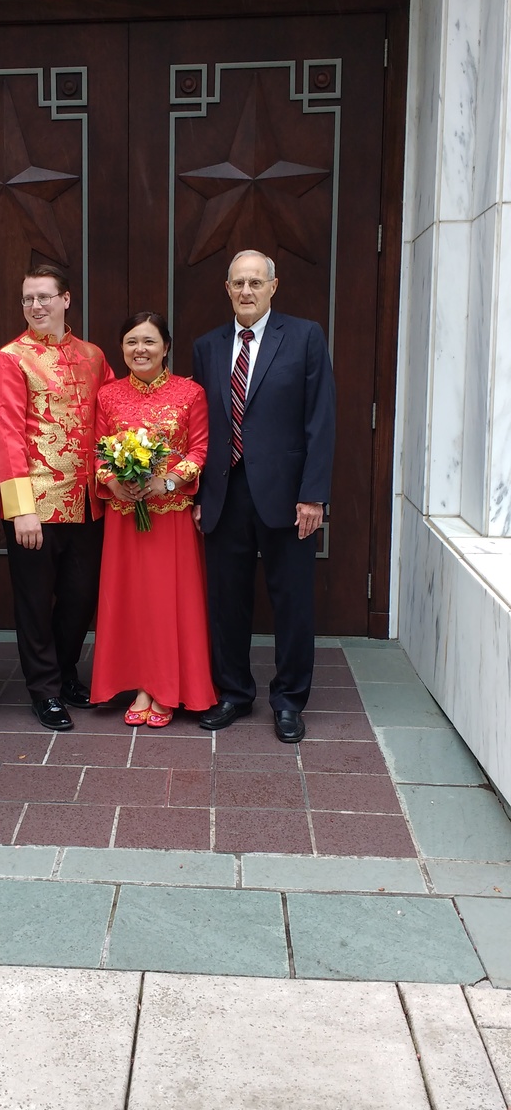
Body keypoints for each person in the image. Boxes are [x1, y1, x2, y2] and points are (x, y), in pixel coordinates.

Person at [192, 250, 336, 742]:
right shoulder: (207, 346)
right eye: (238, 283)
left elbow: (321, 418)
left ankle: (289, 700)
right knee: (226, 601)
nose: (246, 291)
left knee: (292, 601)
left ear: (274, 286)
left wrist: (314, 495)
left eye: (256, 282)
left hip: (288, 497)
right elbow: (202, 427)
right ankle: (233, 691)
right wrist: (197, 494)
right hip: (224, 494)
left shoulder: (304, 336)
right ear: (227, 288)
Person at [0, 264, 114, 732]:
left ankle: (64, 674)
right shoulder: (11, 358)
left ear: (65, 300)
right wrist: (20, 509)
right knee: (36, 602)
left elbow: (112, 419)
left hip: (89, 501)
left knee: (81, 597)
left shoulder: (94, 356)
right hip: (36, 504)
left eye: (44, 297)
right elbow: (8, 437)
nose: (35, 306)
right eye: (27, 299)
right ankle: (44, 689)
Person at [90, 313, 216, 726]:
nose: (139, 350)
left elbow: (199, 450)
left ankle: (166, 688)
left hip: (170, 517)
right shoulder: (108, 395)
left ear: (166, 347)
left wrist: (169, 483)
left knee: (166, 601)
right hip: (125, 516)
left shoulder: (190, 393)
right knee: (131, 601)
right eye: (131, 342)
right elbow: (96, 451)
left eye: (148, 341)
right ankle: (140, 684)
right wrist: (113, 482)